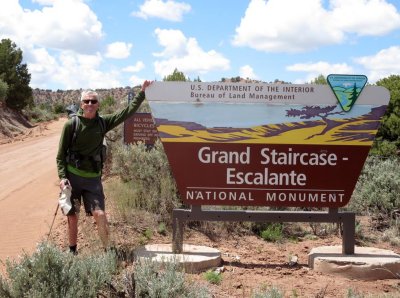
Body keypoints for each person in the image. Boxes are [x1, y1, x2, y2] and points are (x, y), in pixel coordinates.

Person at [56, 80, 152, 254]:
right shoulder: (72, 125)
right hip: (73, 178)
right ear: (81, 104)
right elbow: (60, 155)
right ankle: (72, 251)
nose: (90, 104)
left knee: (99, 214)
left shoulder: (103, 123)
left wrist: (142, 92)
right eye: (87, 101)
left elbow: (126, 113)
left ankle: (108, 252)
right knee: (72, 216)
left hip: (93, 179)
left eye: (93, 101)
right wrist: (63, 177)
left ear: (98, 104)